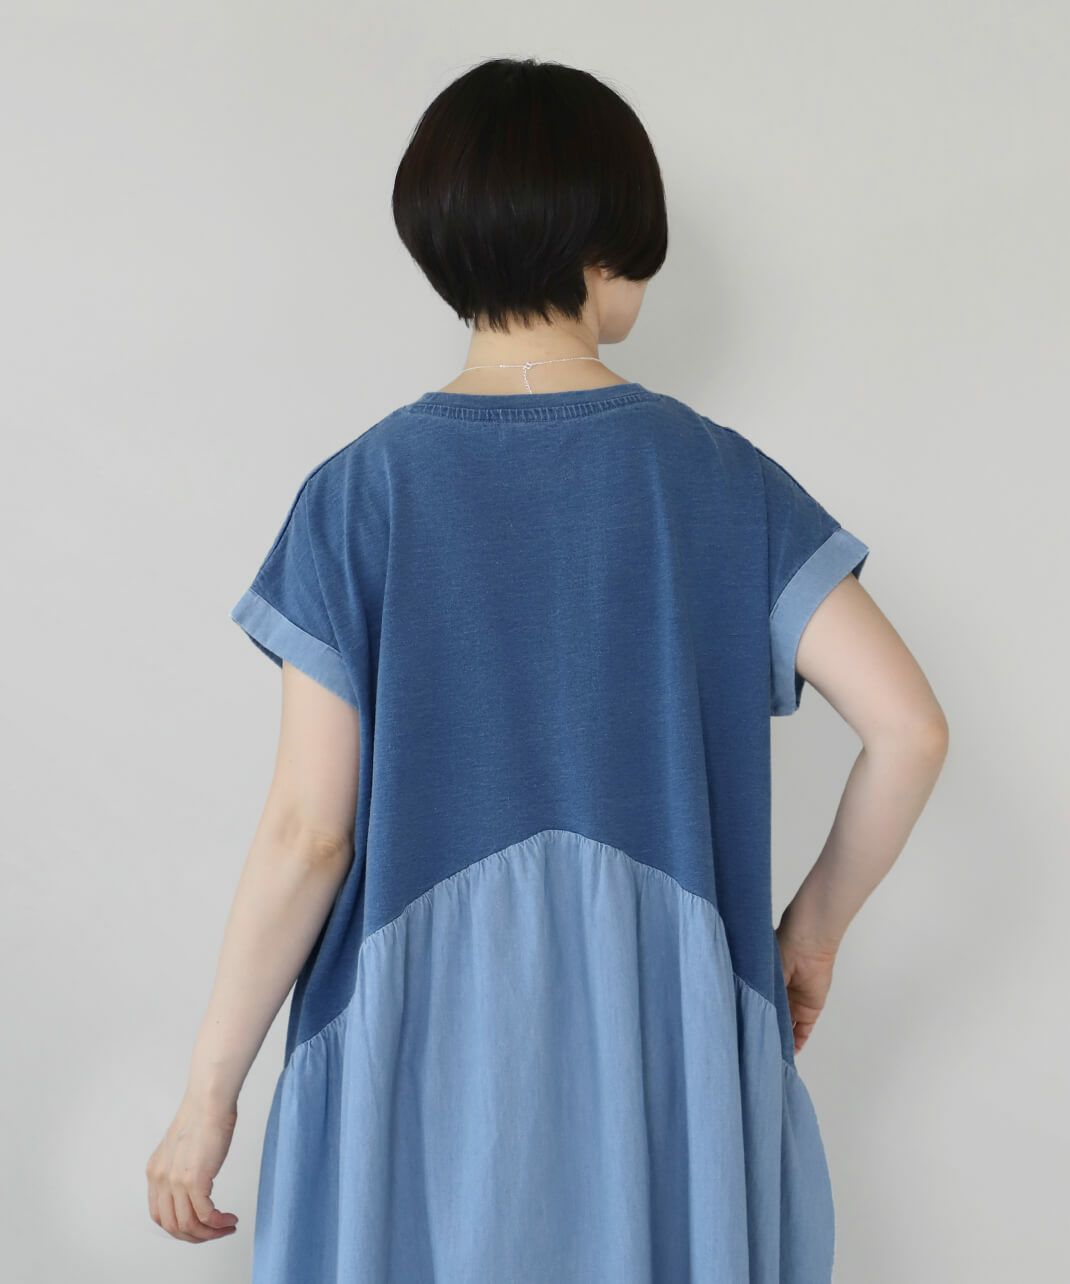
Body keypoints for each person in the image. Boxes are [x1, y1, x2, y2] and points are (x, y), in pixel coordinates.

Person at [145, 56, 949, 1283]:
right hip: (668, 1046)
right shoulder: (722, 481)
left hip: (411, 1052)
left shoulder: (357, 495)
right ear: (606, 243)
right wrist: (811, 934)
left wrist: (210, 1093)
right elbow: (908, 731)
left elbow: (309, 833)